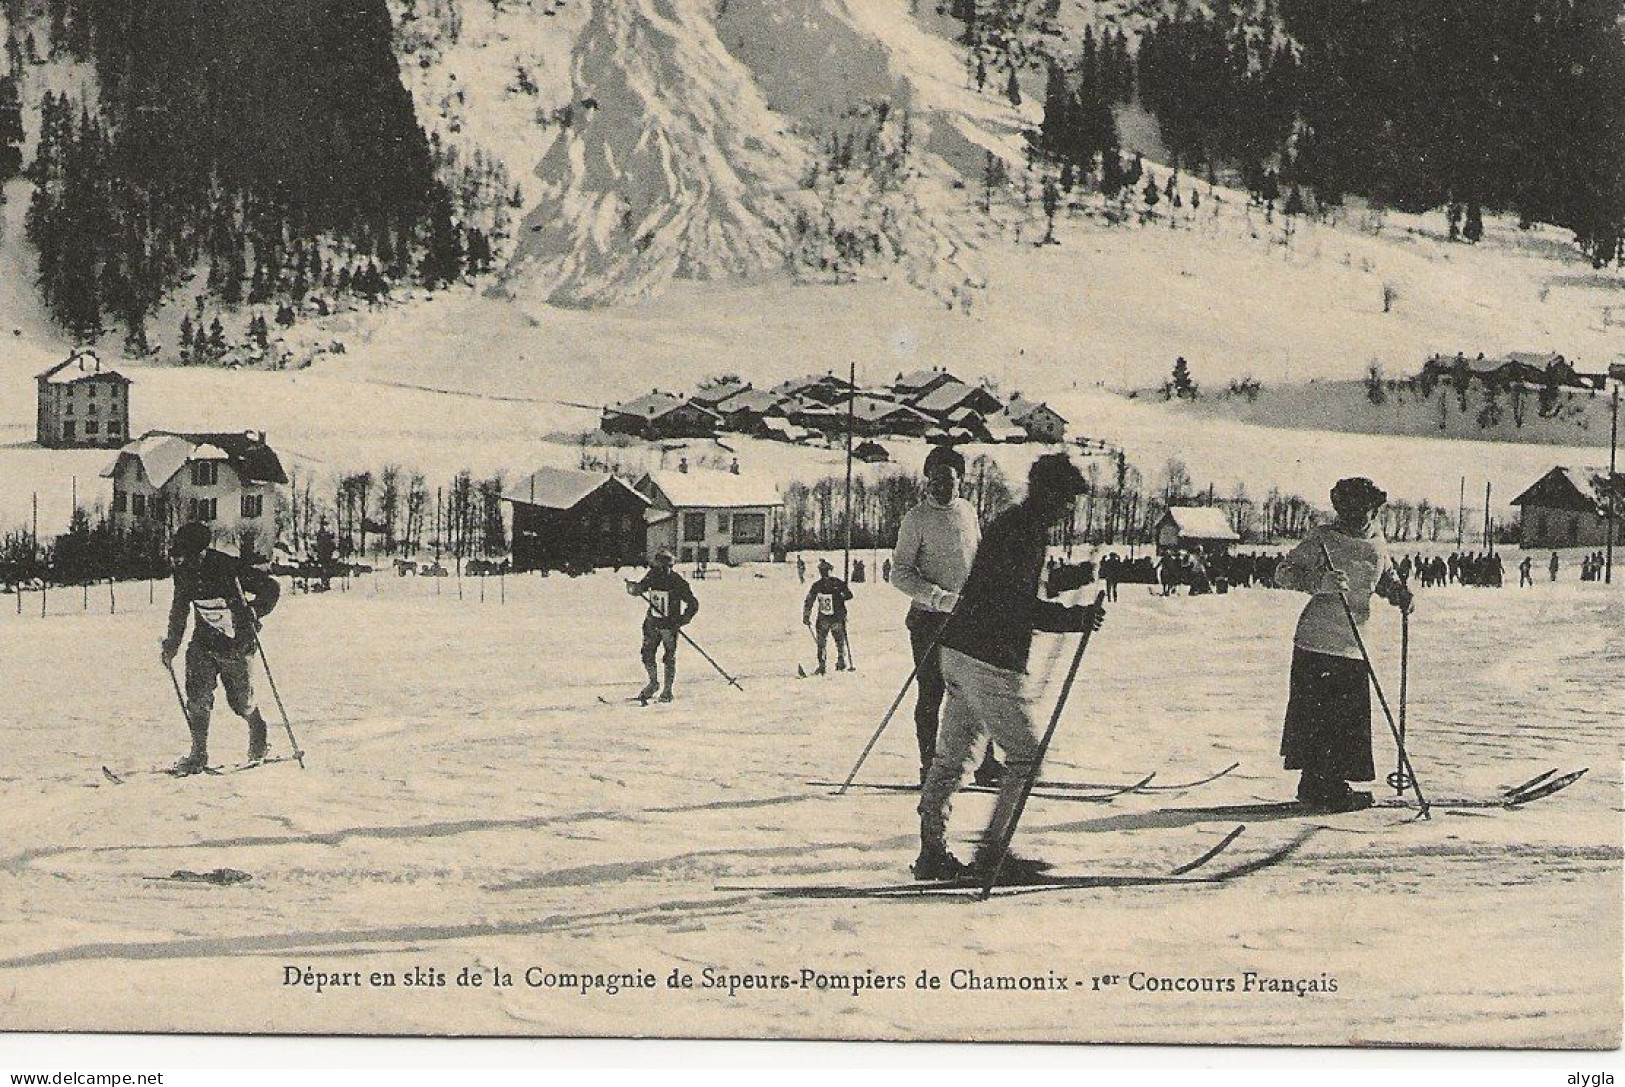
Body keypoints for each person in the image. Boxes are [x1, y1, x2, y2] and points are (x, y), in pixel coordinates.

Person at [914, 454, 1107, 884]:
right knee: (1025, 758)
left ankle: (932, 850)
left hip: (960, 652)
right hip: (989, 661)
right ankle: (993, 854)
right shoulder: (1023, 533)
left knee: (950, 759)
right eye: (1066, 502)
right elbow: (1015, 604)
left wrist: (1075, 578)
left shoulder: (1014, 526)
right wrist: (1073, 620)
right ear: (1049, 495)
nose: (1068, 512)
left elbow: (1019, 586)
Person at [1273, 478, 1413, 812]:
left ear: (1374, 508)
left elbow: (1385, 578)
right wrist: (1317, 583)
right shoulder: (1323, 539)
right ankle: (1323, 788)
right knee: (1319, 719)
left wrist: (1399, 593)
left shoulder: (1377, 540)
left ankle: (1327, 785)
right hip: (1317, 641)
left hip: (1354, 643)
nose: (1355, 516)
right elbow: (1283, 572)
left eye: (1363, 509)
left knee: (1345, 721)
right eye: (1347, 509)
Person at [891, 445, 1003, 788]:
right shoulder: (916, 520)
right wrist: (939, 599)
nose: (942, 487)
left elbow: (979, 559)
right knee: (932, 694)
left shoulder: (967, 512)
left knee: (977, 691)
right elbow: (900, 574)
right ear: (928, 479)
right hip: (929, 622)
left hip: (968, 619)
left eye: (949, 480)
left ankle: (984, 764)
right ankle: (930, 766)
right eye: (936, 480)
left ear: (960, 480)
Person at [159, 521, 282, 774]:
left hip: (236, 644)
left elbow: (271, 588)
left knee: (240, 703)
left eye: (187, 555)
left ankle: (258, 731)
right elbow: (180, 609)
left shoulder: (228, 567)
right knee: (197, 698)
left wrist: (255, 610)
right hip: (203, 643)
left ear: (201, 552)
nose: (182, 561)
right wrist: (172, 645)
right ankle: (198, 754)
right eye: (179, 555)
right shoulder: (183, 572)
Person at [626, 549, 699, 703]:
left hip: (669, 625)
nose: (661, 569)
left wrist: (683, 619)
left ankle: (667, 690)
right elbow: (641, 588)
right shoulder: (653, 576)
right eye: (659, 565)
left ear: (670, 565)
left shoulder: (677, 581)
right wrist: (634, 589)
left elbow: (693, 604)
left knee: (669, 656)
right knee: (647, 654)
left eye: (665, 566)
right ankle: (653, 683)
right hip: (652, 623)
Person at [802, 559, 854, 674]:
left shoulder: (818, 585)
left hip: (826, 619)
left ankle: (824, 664)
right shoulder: (837, 583)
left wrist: (806, 615)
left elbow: (809, 600)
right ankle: (839, 662)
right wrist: (842, 595)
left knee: (823, 643)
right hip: (834, 618)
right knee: (838, 641)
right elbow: (849, 595)